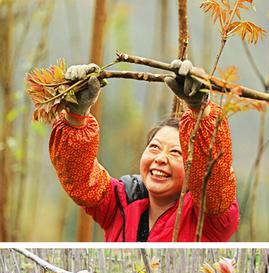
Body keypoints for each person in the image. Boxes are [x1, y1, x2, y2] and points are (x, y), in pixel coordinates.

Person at [49, 60, 239, 241]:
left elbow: (214, 184)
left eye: (175, 152)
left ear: (194, 164)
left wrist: (201, 111)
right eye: (154, 147)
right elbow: (81, 179)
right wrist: (75, 118)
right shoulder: (121, 201)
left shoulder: (209, 217)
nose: (160, 159)